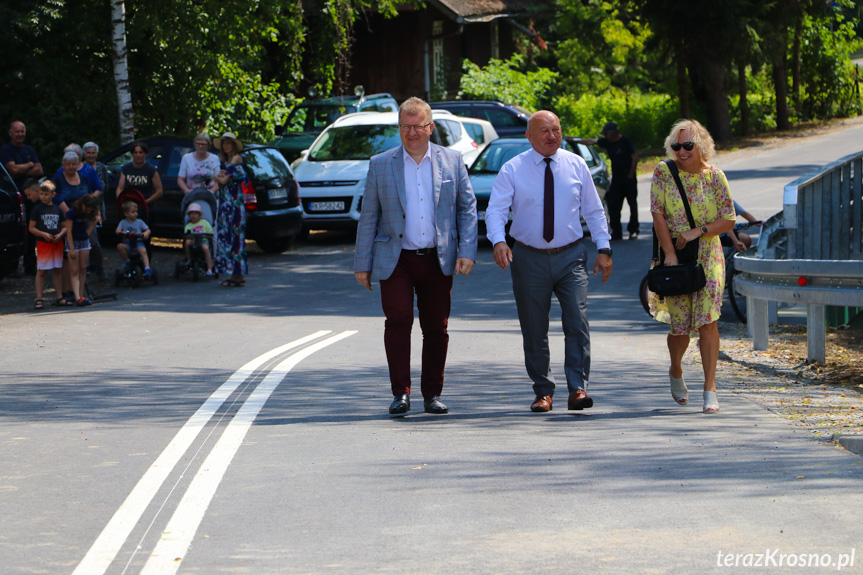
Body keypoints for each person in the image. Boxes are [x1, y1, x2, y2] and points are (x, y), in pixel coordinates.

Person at [354, 96, 478, 416]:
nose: (412, 133)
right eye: (406, 127)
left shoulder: (452, 161)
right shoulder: (381, 164)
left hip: (438, 257)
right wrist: (362, 264)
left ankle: (432, 394)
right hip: (396, 258)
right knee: (399, 320)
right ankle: (401, 393)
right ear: (399, 128)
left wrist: (467, 251)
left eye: (419, 127)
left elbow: (467, 209)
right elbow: (369, 215)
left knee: (436, 326)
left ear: (430, 127)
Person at [486, 110, 612, 413]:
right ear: (529, 136)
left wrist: (604, 248)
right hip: (528, 257)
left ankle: (578, 388)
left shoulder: (576, 164)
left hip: (571, 256)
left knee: (577, 324)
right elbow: (496, 211)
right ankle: (543, 391)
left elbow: (594, 211)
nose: (551, 135)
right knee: (534, 328)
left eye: (556, 129)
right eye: (544, 130)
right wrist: (498, 241)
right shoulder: (513, 169)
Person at [648, 119, 736, 414]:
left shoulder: (715, 177)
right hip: (676, 256)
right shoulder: (664, 172)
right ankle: (676, 369)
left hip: (708, 255)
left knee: (708, 320)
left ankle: (710, 388)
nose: (682, 151)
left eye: (688, 145)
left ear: (701, 146)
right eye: (677, 146)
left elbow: (729, 219)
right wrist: (670, 252)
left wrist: (698, 231)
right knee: (681, 326)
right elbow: (658, 214)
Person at [578, 121, 639, 240]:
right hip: (616, 180)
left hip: (629, 179)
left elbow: (635, 156)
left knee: (632, 204)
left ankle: (633, 230)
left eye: (606, 133)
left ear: (614, 132)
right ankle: (616, 231)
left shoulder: (625, 141)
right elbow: (592, 141)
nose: (605, 136)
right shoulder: (607, 142)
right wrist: (575, 141)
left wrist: (631, 174)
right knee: (613, 205)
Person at [1, 121, 44, 275]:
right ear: (10, 133)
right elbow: (11, 170)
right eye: (17, 131)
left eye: (22, 131)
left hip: (31, 198)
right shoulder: (5, 150)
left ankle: (30, 265)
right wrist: (29, 165)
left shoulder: (29, 149)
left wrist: (22, 168)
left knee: (32, 230)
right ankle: (12, 267)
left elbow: (39, 170)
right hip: (13, 198)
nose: (20, 134)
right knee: (15, 230)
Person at [213, 132, 248, 287]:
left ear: (234, 145)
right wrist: (220, 177)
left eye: (228, 143)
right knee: (226, 237)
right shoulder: (225, 162)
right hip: (225, 203)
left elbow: (224, 180)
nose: (226, 146)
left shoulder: (236, 159)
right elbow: (222, 182)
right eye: (224, 144)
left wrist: (216, 177)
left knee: (236, 239)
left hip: (235, 205)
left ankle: (238, 273)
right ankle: (233, 274)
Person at [28, 180, 68, 308]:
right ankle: (39, 298)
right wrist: (43, 234)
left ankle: (59, 296)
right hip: (43, 243)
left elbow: (65, 226)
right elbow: (31, 228)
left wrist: (61, 234)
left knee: (57, 270)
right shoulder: (37, 209)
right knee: (42, 271)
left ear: (53, 194)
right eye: (41, 194)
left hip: (57, 243)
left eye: (46, 194)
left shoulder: (57, 209)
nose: (44, 197)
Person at [65, 194, 100, 306]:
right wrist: (71, 248)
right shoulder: (72, 212)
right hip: (73, 241)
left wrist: (89, 231)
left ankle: (81, 295)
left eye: (91, 209)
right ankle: (77, 296)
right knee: (74, 270)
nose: (89, 211)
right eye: (87, 208)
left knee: (83, 268)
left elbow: (95, 219)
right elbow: (68, 231)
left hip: (84, 241)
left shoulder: (90, 213)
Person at [82, 142, 109, 280]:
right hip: (84, 207)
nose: (91, 155)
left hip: (98, 206)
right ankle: (87, 267)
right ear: (83, 154)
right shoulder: (80, 167)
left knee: (96, 240)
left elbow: (105, 186)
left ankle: (98, 267)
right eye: (88, 152)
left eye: (93, 152)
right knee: (88, 238)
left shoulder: (102, 168)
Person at [116, 140, 164, 208]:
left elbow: (159, 191)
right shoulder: (125, 169)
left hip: (147, 206)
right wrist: (122, 200)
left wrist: (145, 202)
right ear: (132, 154)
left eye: (141, 152)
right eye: (135, 152)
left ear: (145, 154)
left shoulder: (151, 170)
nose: (138, 155)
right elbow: (120, 188)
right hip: (129, 206)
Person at [116, 200, 152, 279]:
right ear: (126, 213)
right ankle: (127, 262)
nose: (136, 213)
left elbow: (148, 230)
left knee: (143, 251)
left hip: (138, 243)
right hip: (127, 243)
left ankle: (147, 269)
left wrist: (145, 233)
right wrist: (122, 232)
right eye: (133, 212)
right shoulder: (123, 222)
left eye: (136, 211)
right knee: (120, 246)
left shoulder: (139, 222)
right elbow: (117, 231)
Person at [183, 202, 214, 276]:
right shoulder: (189, 225)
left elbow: (210, 232)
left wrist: (207, 234)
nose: (193, 215)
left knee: (205, 248)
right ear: (189, 215)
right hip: (193, 241)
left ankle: (209, 268)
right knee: (187, 242)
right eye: (191, 213)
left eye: (196, 213)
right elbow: (186, 234)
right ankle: (189, 259)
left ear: (199, 215)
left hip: (203, 240)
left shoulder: (205, 223)